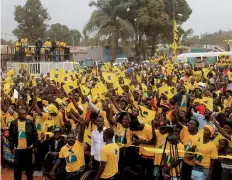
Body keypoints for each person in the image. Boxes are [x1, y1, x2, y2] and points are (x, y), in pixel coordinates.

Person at [8, 106, 38, 180]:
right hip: (18, 149)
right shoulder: (13, 123)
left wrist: (36, 146)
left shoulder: (30, 122)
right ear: (19, 115)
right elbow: (11, 136)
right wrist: (11, 147)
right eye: (23, 114)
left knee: (29, 169)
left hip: (28, 149)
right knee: (18, 169)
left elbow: (35, 135)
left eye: (25, 113)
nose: (25, 115)